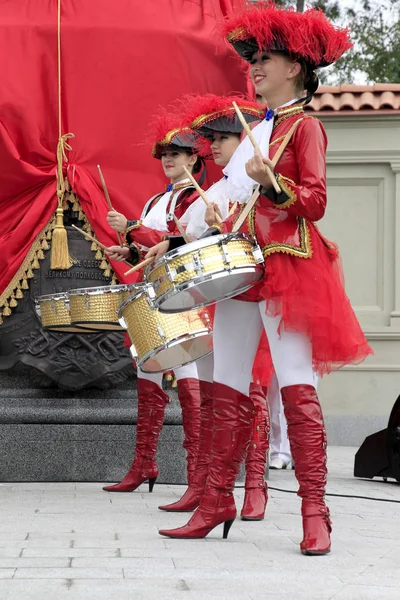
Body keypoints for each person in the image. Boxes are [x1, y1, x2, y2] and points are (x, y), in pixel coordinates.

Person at [155, 3, 373, 555]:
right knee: (225, 385)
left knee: (297, 386)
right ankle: (215, 501)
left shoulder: (306, 127)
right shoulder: (259, 128)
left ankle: (315, 512)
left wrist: (273, 185)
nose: (254, 68)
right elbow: (229, 200)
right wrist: (203, 219)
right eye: (252, 60)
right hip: (243, 271)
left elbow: (315, 202)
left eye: (266, 59)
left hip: (290, 268)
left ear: (295, 68)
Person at [149, 94, 273, 520]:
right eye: (210, 139)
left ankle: (255, 484)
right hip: (211, 297)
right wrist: (166, 244)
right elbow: (192, 240)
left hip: (254, 292)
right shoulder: (216, 190)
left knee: (250, 392)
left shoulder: (262, 177)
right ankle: (202, 483)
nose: (212, 146)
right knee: (208, 396)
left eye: (221, 137)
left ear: (246, 138)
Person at [102, 111, 207, 495]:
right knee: (147, 375)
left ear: (195, 158)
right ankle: (144, 463)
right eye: (165, 152)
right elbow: (152, 250)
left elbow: (178, 242)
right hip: (154, 295)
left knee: (188, 378)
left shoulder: (197, 197)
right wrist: (128, 249)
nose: (169, 159)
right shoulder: (155, 199)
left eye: (178, 152)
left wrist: (131, 226)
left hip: (186, 298)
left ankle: (198, 472)